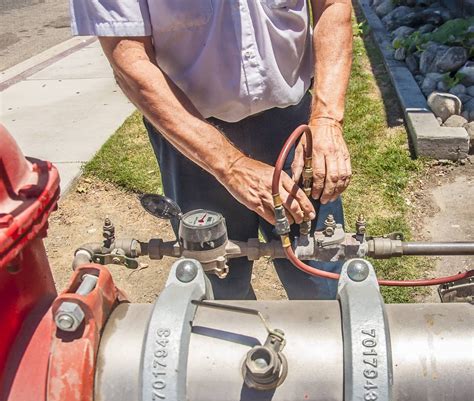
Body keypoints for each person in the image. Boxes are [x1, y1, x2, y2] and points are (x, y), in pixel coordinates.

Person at [70, 0, 353, 300]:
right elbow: (128, 58)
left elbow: (333, 5)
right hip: (193, 138)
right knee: (220, 289)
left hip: (291, 127)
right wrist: (230, 165)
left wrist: (326, 119)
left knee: (319, 277)